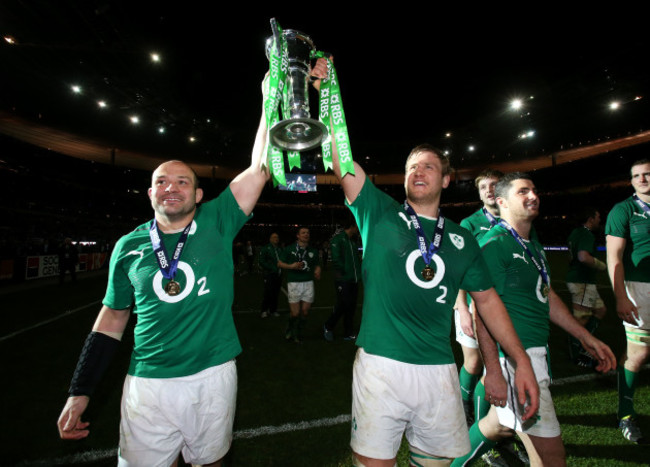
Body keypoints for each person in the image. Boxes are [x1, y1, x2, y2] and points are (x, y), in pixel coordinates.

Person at [311, 55, 539, 467]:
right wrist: (327, 96)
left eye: (430, 166)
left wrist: (515, 361)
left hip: (437, 369)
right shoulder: (377, 212)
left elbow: (487, 302)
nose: (419, 170)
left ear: (446, 179)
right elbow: (341, 158)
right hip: (380, 365)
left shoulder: (461, 238)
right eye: (412, 166)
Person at [56, 78, 271, 466]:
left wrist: (267, 96)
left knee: (211, 462)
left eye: (182, 181)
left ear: (198, 195)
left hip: (213, 374)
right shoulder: (128, 246)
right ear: (150, 193)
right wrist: (80, 388)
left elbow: (259, 167)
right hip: (148, 381)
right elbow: (112, 318)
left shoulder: (218, 221)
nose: (171, 187)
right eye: (161, 182)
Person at [452, 172, 617, 467]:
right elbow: (483, 311)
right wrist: (494, 371)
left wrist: (584, 335)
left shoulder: (533, 247)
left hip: (532, 355)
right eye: (523, 192)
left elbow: (547, 295)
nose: (533, 196)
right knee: (551, 459)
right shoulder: (495, 245)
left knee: (495, 425)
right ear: (501, 202)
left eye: (534, 190)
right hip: (515, 360)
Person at [605, 158, 650, 444]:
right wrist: (621, 296)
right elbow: (614, 257)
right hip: (640, 288)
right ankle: (625, 413)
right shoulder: (624, 210)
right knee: (639, 354)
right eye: (637, 176)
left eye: (647, 174)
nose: (642, 179)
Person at [454, 170, 503, 425]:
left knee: (494, 366)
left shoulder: (515, 219)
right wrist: (462, 307)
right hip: (474, 304)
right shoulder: (469, 224)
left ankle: (486, 419)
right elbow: (461, 267)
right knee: (474, 364)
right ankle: (464, 404)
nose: (489, 190)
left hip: (505, 305)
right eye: (484, 186)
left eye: (494, 185)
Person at [566, 206, 607, 368]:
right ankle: (577, 352)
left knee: (600, 310)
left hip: (581, 280)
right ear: (590, 219)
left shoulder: (575, 233)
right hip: (582, 281)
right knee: (581, 319)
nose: (599, 220)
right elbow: (583, 257)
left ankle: (585, 341)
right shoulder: (586, 234)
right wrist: (601, 265)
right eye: (597, 217)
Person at [278, 226, 321, 343]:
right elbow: (280, 263)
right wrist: (291, 266)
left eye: (307, 233)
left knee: (305, 312)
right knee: (295, 313)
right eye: (303, 233)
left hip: (308, 283)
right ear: (298, 235)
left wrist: (318, 270)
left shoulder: (313, 251)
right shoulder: (289, 249)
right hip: (294, 283)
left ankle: (298, 332)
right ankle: (290, 329)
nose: (306, 234)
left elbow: (317, 264)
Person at [323, 221, 362, 341]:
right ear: (352, 226)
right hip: (343, 279)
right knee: (343, 304)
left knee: (351, 306)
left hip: (354, 279)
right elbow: (336, 259)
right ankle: (328, 326)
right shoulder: (338, 239)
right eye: (357, 226)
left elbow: (356, 259)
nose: (358, 229)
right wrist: (345, 272)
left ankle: (348, 333)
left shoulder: (352, 241)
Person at [259, 232, 282, 318]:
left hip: (278, 274)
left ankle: (273, 310)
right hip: (269, 274)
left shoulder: (279, 249)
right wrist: (272, 268)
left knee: (276, 293)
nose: (276, 238)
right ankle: (264, 310)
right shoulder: (265, 248)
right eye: (274, 237)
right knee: (268, 293)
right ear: (270, 239)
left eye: (277, 237)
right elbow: (261, 261)